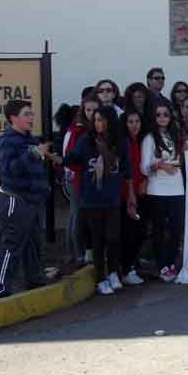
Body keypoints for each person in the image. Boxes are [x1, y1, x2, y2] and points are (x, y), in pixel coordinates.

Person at [0, 100, 62, 299]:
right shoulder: (8, 140)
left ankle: (35, 279)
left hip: (31, 201)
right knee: (12, 244)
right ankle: (0, 288)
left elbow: (36, 159)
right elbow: (10, 169)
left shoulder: (29, 139)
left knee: (33, 243)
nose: (31, 117)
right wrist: (33, 154)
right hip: (16, 200)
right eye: (26, 114)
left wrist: (47, 156)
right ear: (13, 118)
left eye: (31, 113)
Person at [64, 107, 130, 296]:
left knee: (114, 237)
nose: (99, 124)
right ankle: (101, 278)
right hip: (92, 199)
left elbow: (126, 169)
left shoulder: (119, 142)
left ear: (110, 121)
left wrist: (130, 192)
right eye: (96, 120)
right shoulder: (86, 140)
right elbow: (71, 159)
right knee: (98, 240)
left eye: (102, 120)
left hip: (112, 198)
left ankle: (114, 273)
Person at [140, 102, 185, 283]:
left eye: (165, 114)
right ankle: (161, 265)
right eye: (158, 115)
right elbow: (144, 167)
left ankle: (172, 263)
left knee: (175, 230)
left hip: (177, 189)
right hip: (157, 190)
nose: (162, 118)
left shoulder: (176, 136)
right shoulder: (150, 138)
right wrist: (159, 165)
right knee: (159, 230)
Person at [62, 93, 99, 268]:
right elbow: (69, 157)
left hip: (92, 180)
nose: (91, 113)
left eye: (94, 110)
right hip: (78, 179)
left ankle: (82, 253)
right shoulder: (77, 130)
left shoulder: (97, 129)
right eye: (88, 110)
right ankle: (75, 254)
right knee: (76, 216)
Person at [119, 110, 147, 286]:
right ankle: (126, 269)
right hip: (125, 194)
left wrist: (144, 181)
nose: (134, 125)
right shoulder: (124, 143)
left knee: (138, 232)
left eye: (137, 121)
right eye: (130, 121)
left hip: (139, 192)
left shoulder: (139, 141)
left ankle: (130, 266)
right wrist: (130, 195)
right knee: (128, 234)